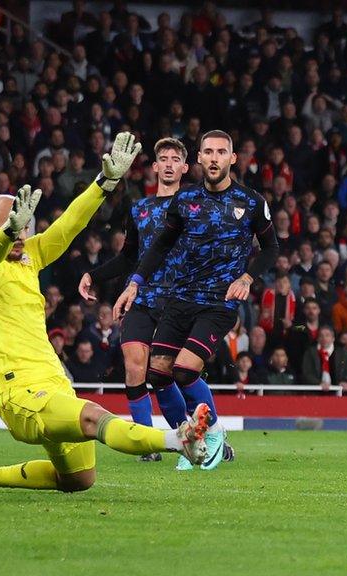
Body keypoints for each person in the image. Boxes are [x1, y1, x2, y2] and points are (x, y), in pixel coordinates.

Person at [0, 132, 208, 495]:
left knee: (78, 479)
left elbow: (69, 224)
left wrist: (104, 184)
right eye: (12, 226)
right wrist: (8, 230)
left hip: (56, 384)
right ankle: (176, 438)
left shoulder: (31, 256)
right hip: (20, 393)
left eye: (24, 226)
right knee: (94, 417)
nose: (20, 234)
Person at [115, 130, 278, 471]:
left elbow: (272, 249)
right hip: (180, 298)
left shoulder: (250, 202)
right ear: (200, 160)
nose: (215, 157)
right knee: (158, 373)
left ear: (233, 159)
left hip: (219, 302)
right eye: (208, 152)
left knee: (185, 369)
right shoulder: (184, 201)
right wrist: (134, 283)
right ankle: (190, 440)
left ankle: (215, 434)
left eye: (222, 152)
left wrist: (247, 277)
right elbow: (159, 246)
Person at [79, 137, 210, 463]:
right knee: (135, 370)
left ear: (184, 167)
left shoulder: (196, 205)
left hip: (181, 301)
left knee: (171, 372)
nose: (167, 164)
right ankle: (147, 445)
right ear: (154, 167)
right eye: (162, 158)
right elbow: (128, 257)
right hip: (143, 298)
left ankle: (203, 435)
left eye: (174, 159)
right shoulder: (139, 209)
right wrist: (94, 275)